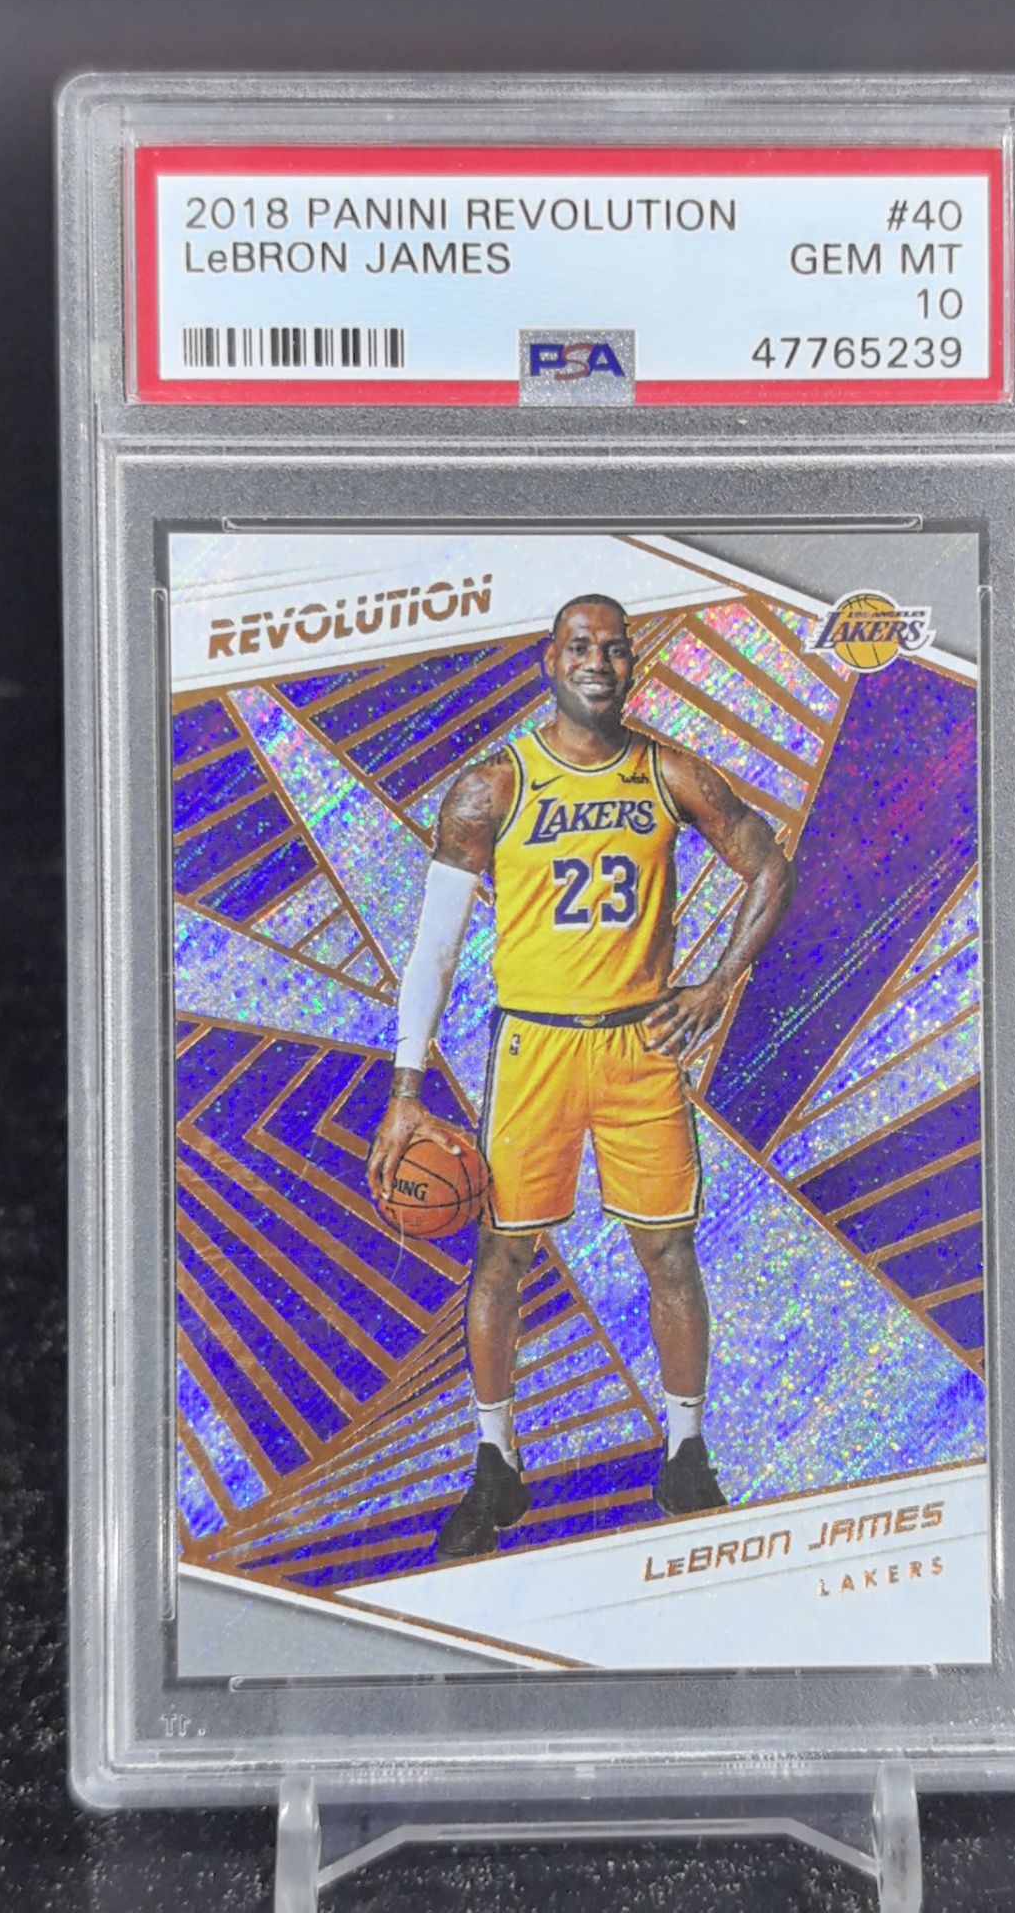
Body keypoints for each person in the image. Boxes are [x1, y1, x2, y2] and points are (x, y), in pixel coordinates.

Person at [368, 594, 795, 1558]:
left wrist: (722, 980)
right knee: (502, 1257)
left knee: (670, 1253)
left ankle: (685, 1453)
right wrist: (405, 1091)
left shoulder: (671, 773)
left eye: (614, 647)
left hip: (641, 1047)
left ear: (633, 663)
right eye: (578, 645)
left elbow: (770, 867)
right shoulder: (492, 787)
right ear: (548, 658)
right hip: (535, 1048)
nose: (597, 660)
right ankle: (496, 1463)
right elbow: (435, 949)